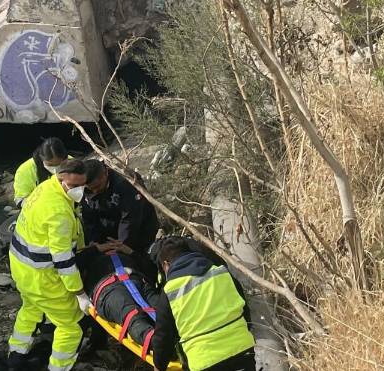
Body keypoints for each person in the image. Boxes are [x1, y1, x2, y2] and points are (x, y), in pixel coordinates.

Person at [7, 160, 92, 371]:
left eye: (82, 185)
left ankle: (16, 356)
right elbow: (63, 260)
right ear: (61, 177)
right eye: (74, 186)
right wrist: (79, 293)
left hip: (22, 270)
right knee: (71, 326)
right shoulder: (58, 213)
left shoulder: (45, 188)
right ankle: (58, 367)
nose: (79, 190)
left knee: (31, 309)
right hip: (43, 279)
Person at [149, 237, 256, 371]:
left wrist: (159, 366)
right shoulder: (221, 272)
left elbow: (163, 337)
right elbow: (244, 308)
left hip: (205, 361)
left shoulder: (170, 291)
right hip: (242, 351)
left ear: (166, 264)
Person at [81, 159, 158, 259]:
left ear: (105, 174)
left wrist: (122, 245)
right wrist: (95, 242)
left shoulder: (126, 183)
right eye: (91, 189)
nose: (94, 191)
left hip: (138, 231)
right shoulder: (86, 187)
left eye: (97, 187)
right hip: (109, 233)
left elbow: (130, 219)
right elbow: (89, 217)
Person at [13, 137, 69, 206]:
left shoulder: (72, 163)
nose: (55, 169)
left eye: (59, 164)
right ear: (42, 158)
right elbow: (20, 200)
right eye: (50, 165)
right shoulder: (25, 170)